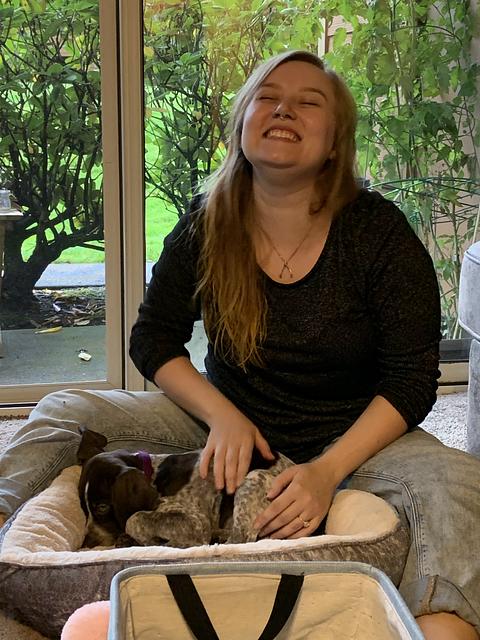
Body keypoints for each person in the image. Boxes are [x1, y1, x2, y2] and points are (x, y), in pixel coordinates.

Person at [0, 50, 478, 639]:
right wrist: (222, 416)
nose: (284, 109)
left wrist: (326, 472)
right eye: (267, 97)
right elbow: (153, 337)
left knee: (458, 480)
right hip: (224, 425)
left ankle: (439, 624)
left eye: (308, 102)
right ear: (242, 124)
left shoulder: (379, 232)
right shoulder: (207, 221)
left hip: (353, 435)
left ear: (335, 142)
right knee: (62, 411)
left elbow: (411, 380)